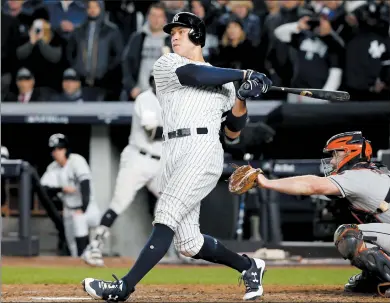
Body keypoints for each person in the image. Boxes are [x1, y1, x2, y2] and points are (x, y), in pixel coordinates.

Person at [82, 12, 272, 302]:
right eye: (173, 31)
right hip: (171, 153)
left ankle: (124, 288)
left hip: (203, 149)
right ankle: (249, 266)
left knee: (166, 213)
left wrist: (242, 97)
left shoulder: (225, 82)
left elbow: (233, 132)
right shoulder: (168, 63)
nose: (174, 35)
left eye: (181, 31)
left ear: (197, 35)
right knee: (190, 243)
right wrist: (242, 75)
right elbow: (195, 75)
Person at [236, 131, 390, 298]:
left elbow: (312, 185)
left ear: (349, 152)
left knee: (350, 235)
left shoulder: (357, 176)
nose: (332, 160)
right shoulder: (372, 173)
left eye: (335, 153)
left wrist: (266, 182)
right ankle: (373, 278)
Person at [81, 73, 165, 266]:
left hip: (160, 163)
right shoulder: (146, 99)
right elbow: (152, 132)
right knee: (119, 202)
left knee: (176, 201)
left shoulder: (173, 101)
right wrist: (180, 129)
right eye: (158, 80)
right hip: (138, 159)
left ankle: (185, 248)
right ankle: (94, 247)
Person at [40, 133, 103, 266]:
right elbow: (43, 189)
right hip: (69, 209)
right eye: (54, 149)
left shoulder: (77, 160)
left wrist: (83, 208)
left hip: (88, 207)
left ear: (66, 149)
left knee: (80, 222)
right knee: (72, 246)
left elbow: (85, 184)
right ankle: (81, 267)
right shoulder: (52, 168)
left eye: (59, 148)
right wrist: (61, 189)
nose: (56, 152)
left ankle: (90, 258)